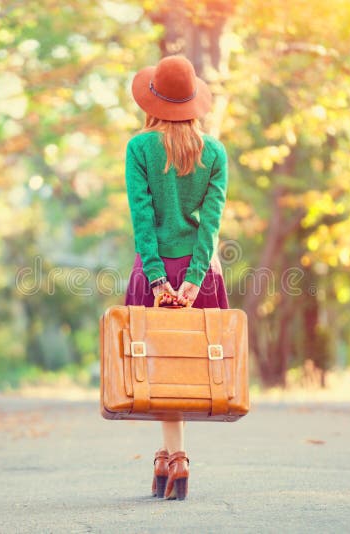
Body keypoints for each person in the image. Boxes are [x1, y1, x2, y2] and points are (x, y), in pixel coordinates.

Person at [123, 55, 230, 501]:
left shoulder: (139, 148)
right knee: (183, 367)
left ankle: (177, 458)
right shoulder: (216, 153)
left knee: (159, 368)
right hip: (200, 272)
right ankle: (169, 457)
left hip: (156, 269)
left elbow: (142, 218)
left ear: (153, 100)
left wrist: (158, 279)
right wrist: (194, 277)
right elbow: (212, 221)